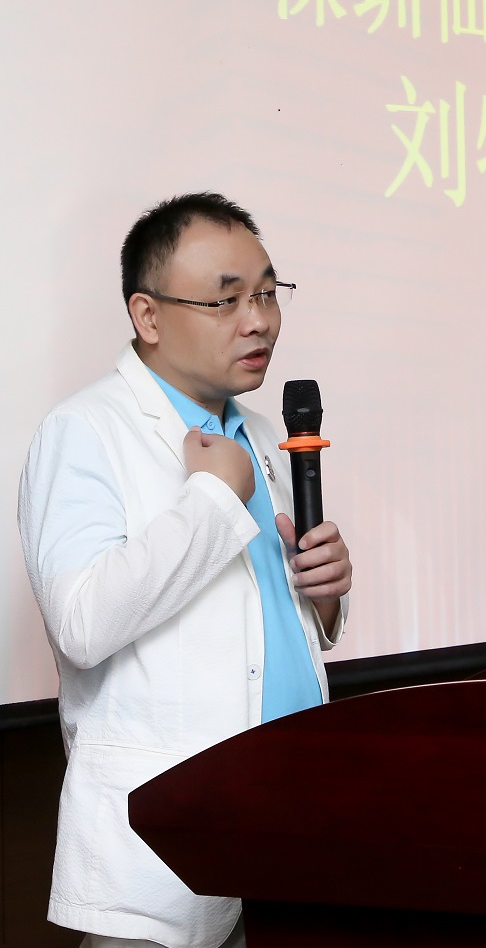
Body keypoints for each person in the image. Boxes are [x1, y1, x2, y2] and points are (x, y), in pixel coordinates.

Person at [18, 193, 352, 948]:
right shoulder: (83, 431)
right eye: (226, 299)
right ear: (148, 315)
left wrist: (325, 594)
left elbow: (258, 620)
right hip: (164, 849)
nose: (259, 320)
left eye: (267, 293)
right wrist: (213, 499)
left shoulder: (258, 430)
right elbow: (81, 624)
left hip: (289, 827)